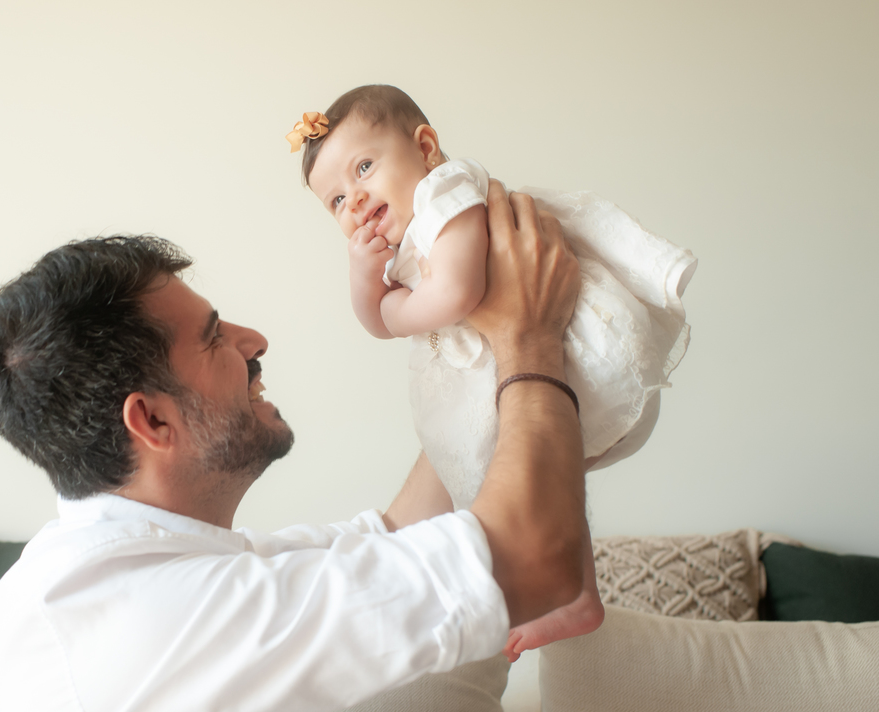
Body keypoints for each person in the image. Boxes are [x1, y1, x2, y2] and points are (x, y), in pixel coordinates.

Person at [0, 182, 588, 712]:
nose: (254, 341)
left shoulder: (166, 570)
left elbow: (402, 533)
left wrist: (476, 346)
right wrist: (528, 337)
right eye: (214, 337)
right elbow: (534, 559)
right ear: (152, 421)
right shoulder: (126, 617)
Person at [294, 84, 697, 659]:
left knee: (534, 475)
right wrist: (364, 274)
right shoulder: (403, 235)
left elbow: (456, 292)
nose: (354, 199)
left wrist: (396, 311)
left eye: (363, 168)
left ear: (426, 147)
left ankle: (569, 592)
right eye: (335, 200)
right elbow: (376, 323)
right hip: (511, 365)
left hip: (569, 353)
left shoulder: (446, 194)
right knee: (538, 483)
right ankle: (578, 596)